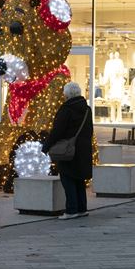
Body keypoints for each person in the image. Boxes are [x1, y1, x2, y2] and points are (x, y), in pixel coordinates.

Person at [42, 82, 93, 220]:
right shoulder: (87, 109)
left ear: (67, 94)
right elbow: (89, 130)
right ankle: (82, 208)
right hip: (82, 149)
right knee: (79, 179)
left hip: (68, 150)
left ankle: (71, 210)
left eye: (64, 93)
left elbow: (57, 131)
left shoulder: (66, 109)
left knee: (68, 178)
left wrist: (46, 146)